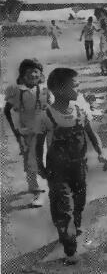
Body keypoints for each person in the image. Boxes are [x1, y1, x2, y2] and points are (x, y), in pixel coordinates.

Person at [36, 68, 107, 264]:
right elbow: (38, 144)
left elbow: (92, 135)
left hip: (79, 169)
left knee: (79, 204)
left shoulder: (80, 111)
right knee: (65, 208)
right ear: (58, 90)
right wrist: (40, 167)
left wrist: (100, 152)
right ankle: (70, 249)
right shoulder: (46, 116)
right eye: (74, 85)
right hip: (57, 171)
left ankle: (70, 228)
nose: (78, 88)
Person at [3, 59, 52, 207]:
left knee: (43, 157)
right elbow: (7, 111)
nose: (33, 75)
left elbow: (50, 109)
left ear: (41, 74)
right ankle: (35, 189)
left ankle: (48, 180)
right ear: (23, 76)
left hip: (43, 130)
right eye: (29, 72)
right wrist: (17, 134)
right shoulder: (16, 91)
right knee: (30, 160)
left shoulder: (45, 90)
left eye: (36, 72)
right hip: (26, 132)